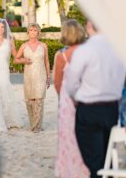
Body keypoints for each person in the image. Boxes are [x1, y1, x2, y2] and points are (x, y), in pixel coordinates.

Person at [65, 21, 126, 178]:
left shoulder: (84, 51)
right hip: (112, 108)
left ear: (89, 26)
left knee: (95, 162)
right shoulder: (120, 50)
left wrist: (75, 98)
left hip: (89, 109)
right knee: (108, 158)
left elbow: (71, 83)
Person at [53, 19, 90, 178]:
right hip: (86, 97)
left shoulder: (62, 56)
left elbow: (57, 83)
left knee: (68, 136)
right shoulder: (88, 52)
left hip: (67, 100)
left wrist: (64, 98)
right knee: (85, 136)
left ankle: (69, 170)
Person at [14, 23, 51, 133]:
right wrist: (24, 60)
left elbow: (47, 61)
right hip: (28, 76)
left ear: (38, 32)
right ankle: (33, 123)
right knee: (30, 101)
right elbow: (16, 59)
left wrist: (48, 77)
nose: (33, 32)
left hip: (40, 75)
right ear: (28, 32)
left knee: (39, 100)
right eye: (31, 30)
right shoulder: (24, 46)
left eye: (35, 30)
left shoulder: (43, 46)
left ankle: (36, 127)